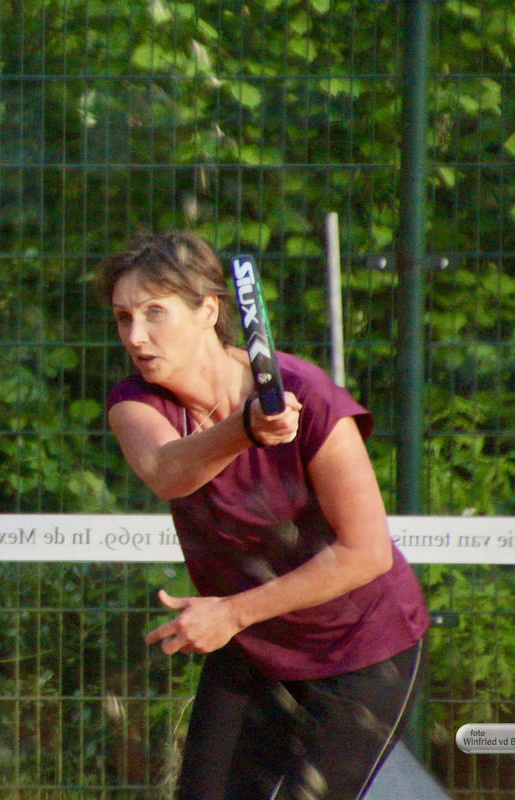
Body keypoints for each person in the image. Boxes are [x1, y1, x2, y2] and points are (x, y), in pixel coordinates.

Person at [95, 230, 430, 800]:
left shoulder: (310, 395)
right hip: (251, 647)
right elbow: (167, 471)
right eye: (124, 317)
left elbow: (366, 552)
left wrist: (231, 613)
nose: (136, 335)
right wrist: (245, 428)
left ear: (208, 310)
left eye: (154, 312)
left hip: (364, 648)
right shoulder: (136, 403)